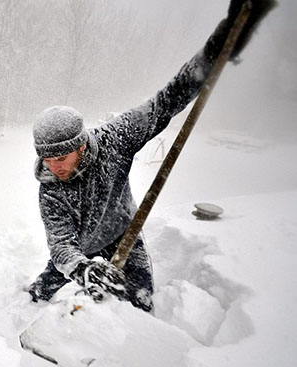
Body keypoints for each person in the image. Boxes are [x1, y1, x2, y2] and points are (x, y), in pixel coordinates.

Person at [27, 0, 275, 311]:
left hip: (122, 236)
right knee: (36, 295)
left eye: (60, 157)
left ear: (81, 145)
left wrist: (226, 36)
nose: (53, 166)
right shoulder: (50, 188)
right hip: (80, 250)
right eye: (47, 159)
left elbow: (170, 97)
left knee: (140, 304)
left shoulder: (114, 140)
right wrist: (83, 268)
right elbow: (61, 245)